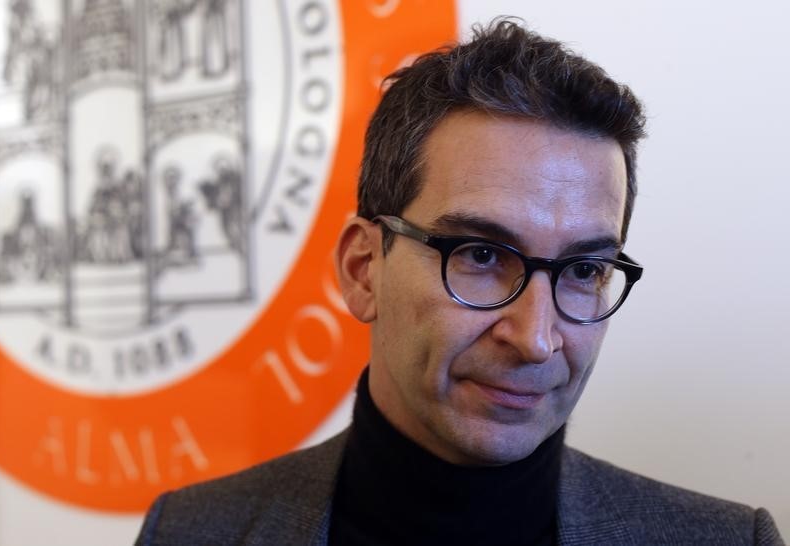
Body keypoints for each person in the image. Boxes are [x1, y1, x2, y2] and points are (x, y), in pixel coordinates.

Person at [135, 19, 785, 545]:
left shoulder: (728, 540)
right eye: (480, 255)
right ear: (364, 269)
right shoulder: (190, 533)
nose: (535, 339)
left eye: (584, 270)